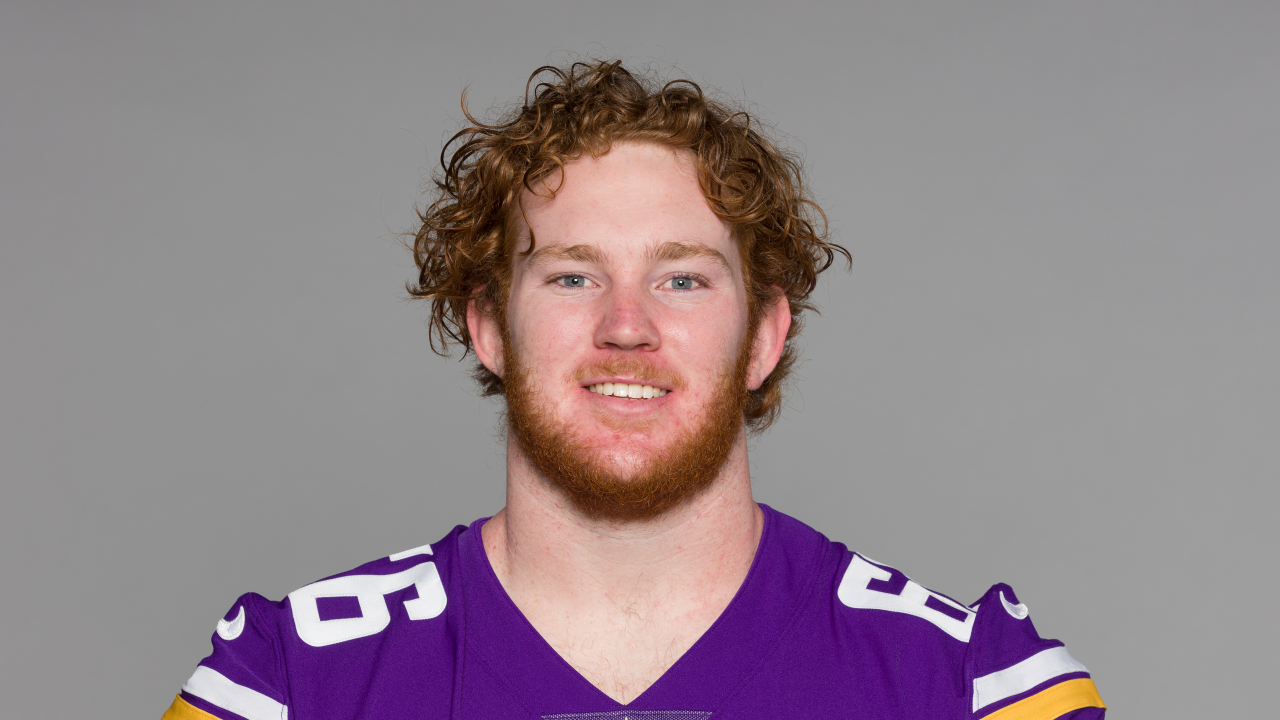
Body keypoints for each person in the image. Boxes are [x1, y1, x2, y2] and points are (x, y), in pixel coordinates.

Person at [162, 60, 1105, 720]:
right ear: (488, 323)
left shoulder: (971, 686)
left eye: (683, 278)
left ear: (764, 334)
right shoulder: (293, 686)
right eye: (572, 275)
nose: (627, 323)